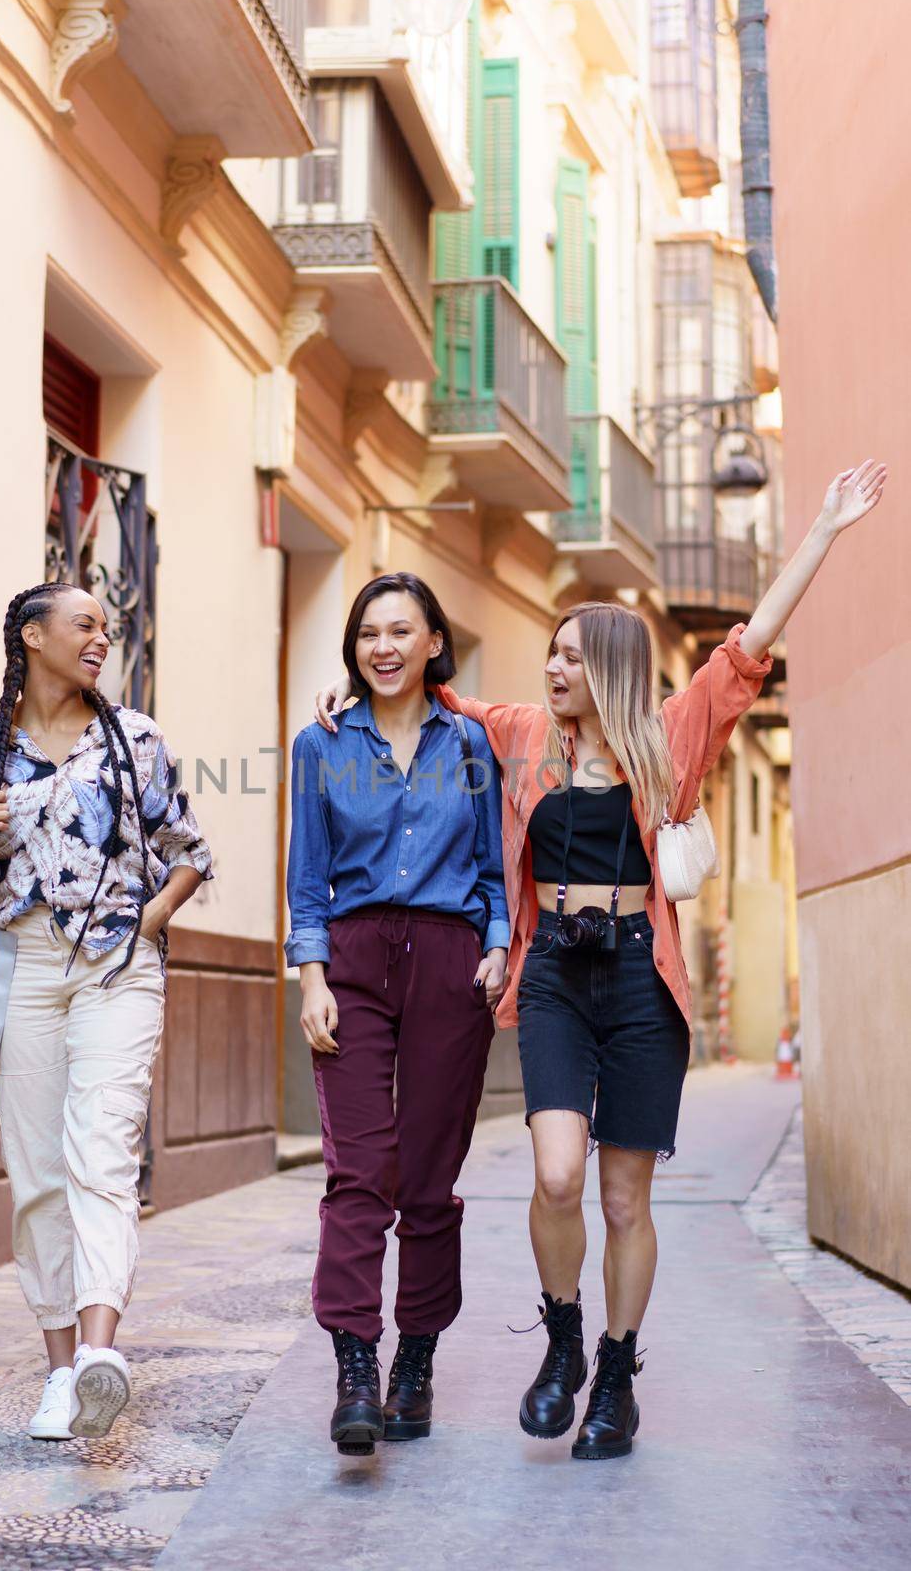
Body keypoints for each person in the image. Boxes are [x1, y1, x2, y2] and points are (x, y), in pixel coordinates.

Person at [316, 460, 887, 1459]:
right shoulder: (520, 734)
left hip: (635, 979)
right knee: (553, 1174)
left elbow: (748, 648)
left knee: (625, 1195)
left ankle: (615, 1374)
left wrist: (824, 532)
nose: (551, 670)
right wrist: (354, 688)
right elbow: (428, 697)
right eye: (548, 654)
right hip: (551, 979)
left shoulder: (667, 735)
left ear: (612, 665)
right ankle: (563, 1336)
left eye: (570, 657)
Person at [0, 582, 213, 1442]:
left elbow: (189, 853)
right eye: (84, 625)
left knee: (104, 1145)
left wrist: (146, 926)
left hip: (116, 968)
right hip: (22, 967)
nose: (101, 639)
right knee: (35, 1171)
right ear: (32, 636)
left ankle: (98, 1354)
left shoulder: (134, 740)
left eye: (107, 627)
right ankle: (60, 1372)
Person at [287, 572, 511, 1455]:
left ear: (431, 645)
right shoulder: (321, 743)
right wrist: (311, 980)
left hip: (451, 964)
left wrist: (495, 942)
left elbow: (494, 870)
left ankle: (414, 1359)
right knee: (357, 1170)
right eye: (367, 633)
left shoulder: (474, 745)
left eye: (400, 632)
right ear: (353, 647)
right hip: (352, 959)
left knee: (425, 1177)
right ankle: (354, 1364)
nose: (382, 647)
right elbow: (308, 878)